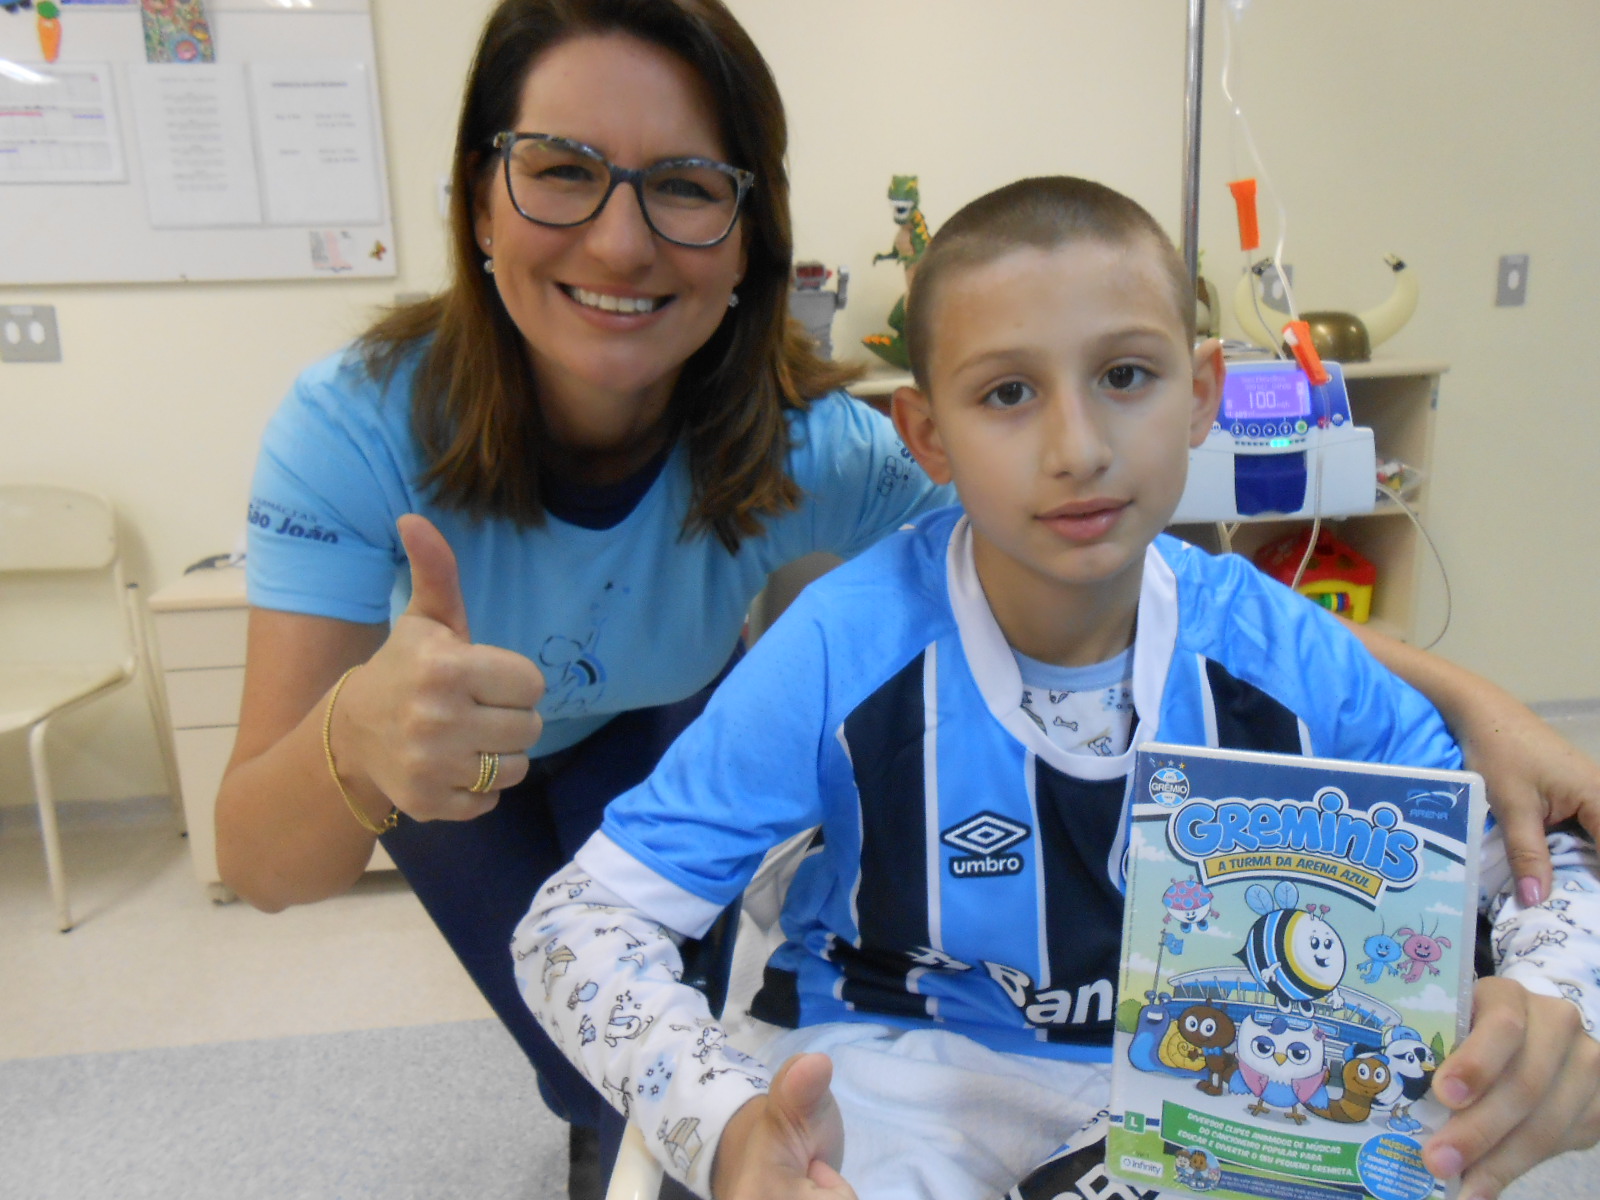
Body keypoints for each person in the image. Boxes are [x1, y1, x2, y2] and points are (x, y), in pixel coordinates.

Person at [216, 0, 1598, 1189]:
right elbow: (371, 886)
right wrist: (718, 1121)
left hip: (695, 744)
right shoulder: (362, 434)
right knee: (612, 1077)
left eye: (684, 185)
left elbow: (1103, 561)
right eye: (565, 171)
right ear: (478, 197)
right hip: (457, 757)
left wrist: (1541, 955)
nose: (1072, 446)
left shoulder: (819, 451)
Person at [514, 176, 1600, 1200]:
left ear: (1201, 395)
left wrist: (1556, 1003)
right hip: (886, 1069)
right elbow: (575, 926)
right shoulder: (843, 645)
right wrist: (724, 1121)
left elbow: (1536, 853)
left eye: (1126, 375)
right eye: (1007, 393)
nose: (1077, 448)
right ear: (928, 436)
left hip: (1204, 1079)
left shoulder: (1281, 652)